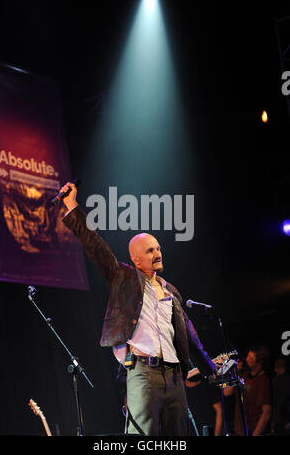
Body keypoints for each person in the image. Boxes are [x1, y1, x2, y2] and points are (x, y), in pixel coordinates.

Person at [60, 181, 217, 436]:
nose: (157, 252)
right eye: (150, 250)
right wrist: (71, 206)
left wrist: (210, 369)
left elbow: (188, 332)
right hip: (143, 374)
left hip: (175, 375)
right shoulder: (124, 277)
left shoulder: (169, 289)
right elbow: (95, 245)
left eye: (158, 248)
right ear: (135, 258)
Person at [224, 345, 271, 436]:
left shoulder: (263, 381)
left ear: (258, 362)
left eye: (251, 358)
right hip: (241, 431)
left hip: (256, 431)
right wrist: (234, 372)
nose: (246, 359)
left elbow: (266, 412)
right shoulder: (244, 375)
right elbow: (227, 392)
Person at [271, 357, 290, 434]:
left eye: (276, 367)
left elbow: (275, 401)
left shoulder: (275, 381)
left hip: (279, 417)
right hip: (285, 417)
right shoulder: (288, 380)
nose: (275, 370)